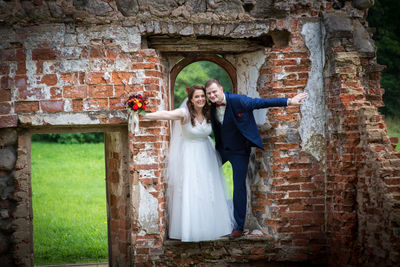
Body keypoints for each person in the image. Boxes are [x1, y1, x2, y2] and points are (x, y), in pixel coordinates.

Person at [205, 78, 308, 239]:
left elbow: (261, 102)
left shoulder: (239, 100)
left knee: (238, 187)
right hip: (222, 150)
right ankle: (209, 220)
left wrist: (289, 101)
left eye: (214, 91)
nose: (212, 95)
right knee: (206, 180)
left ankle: (238, 226)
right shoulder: (211, 107)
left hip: (240, 151)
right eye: (209, 93)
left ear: (221, 89)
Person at [143, 84, 234, 242]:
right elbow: (166, 114)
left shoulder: (208, 112)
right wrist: (144, 115)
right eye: (197, 96)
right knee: (192, 189)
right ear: (191, 100)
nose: (200, 99)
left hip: (207, 155)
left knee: (209, 189)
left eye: (202, 96)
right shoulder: (184, 113)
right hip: (190, 155)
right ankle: (190, 228)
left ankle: (211, 226)